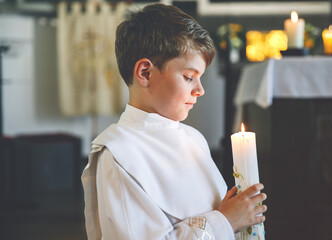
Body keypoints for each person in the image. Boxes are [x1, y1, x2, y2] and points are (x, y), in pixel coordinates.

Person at [81, 3, 267, 240]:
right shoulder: (119, 156)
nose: (200, 90)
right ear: (145, 73)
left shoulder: (193, 138)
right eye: (189, 77)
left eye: (200, 78)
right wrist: (226, 221)